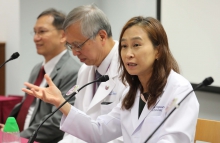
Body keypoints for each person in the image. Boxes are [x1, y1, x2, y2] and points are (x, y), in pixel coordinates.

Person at [22, 16, 199, 143]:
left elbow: (175, 139)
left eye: (136, 45)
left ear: (158, 50)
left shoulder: (178, 89)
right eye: (123, 46)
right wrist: (61, 102)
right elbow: (99, 131)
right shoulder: (132, 91)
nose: (128, 54)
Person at [0, 8, 81, 143]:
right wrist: (10, 131)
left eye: (42, 31)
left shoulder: (73, 72)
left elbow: (58, 120)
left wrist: (20, 137)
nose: (36, 38)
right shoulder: (38, 68)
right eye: (35, 32)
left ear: (63, 36)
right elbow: (27, 107)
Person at [58, 4, 126, 143]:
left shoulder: (128, 69)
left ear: (102, 36)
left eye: (78, 45)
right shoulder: (85, 69)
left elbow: (127, 133)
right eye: (70, 46)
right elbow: (77, 127)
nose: (74, 52)